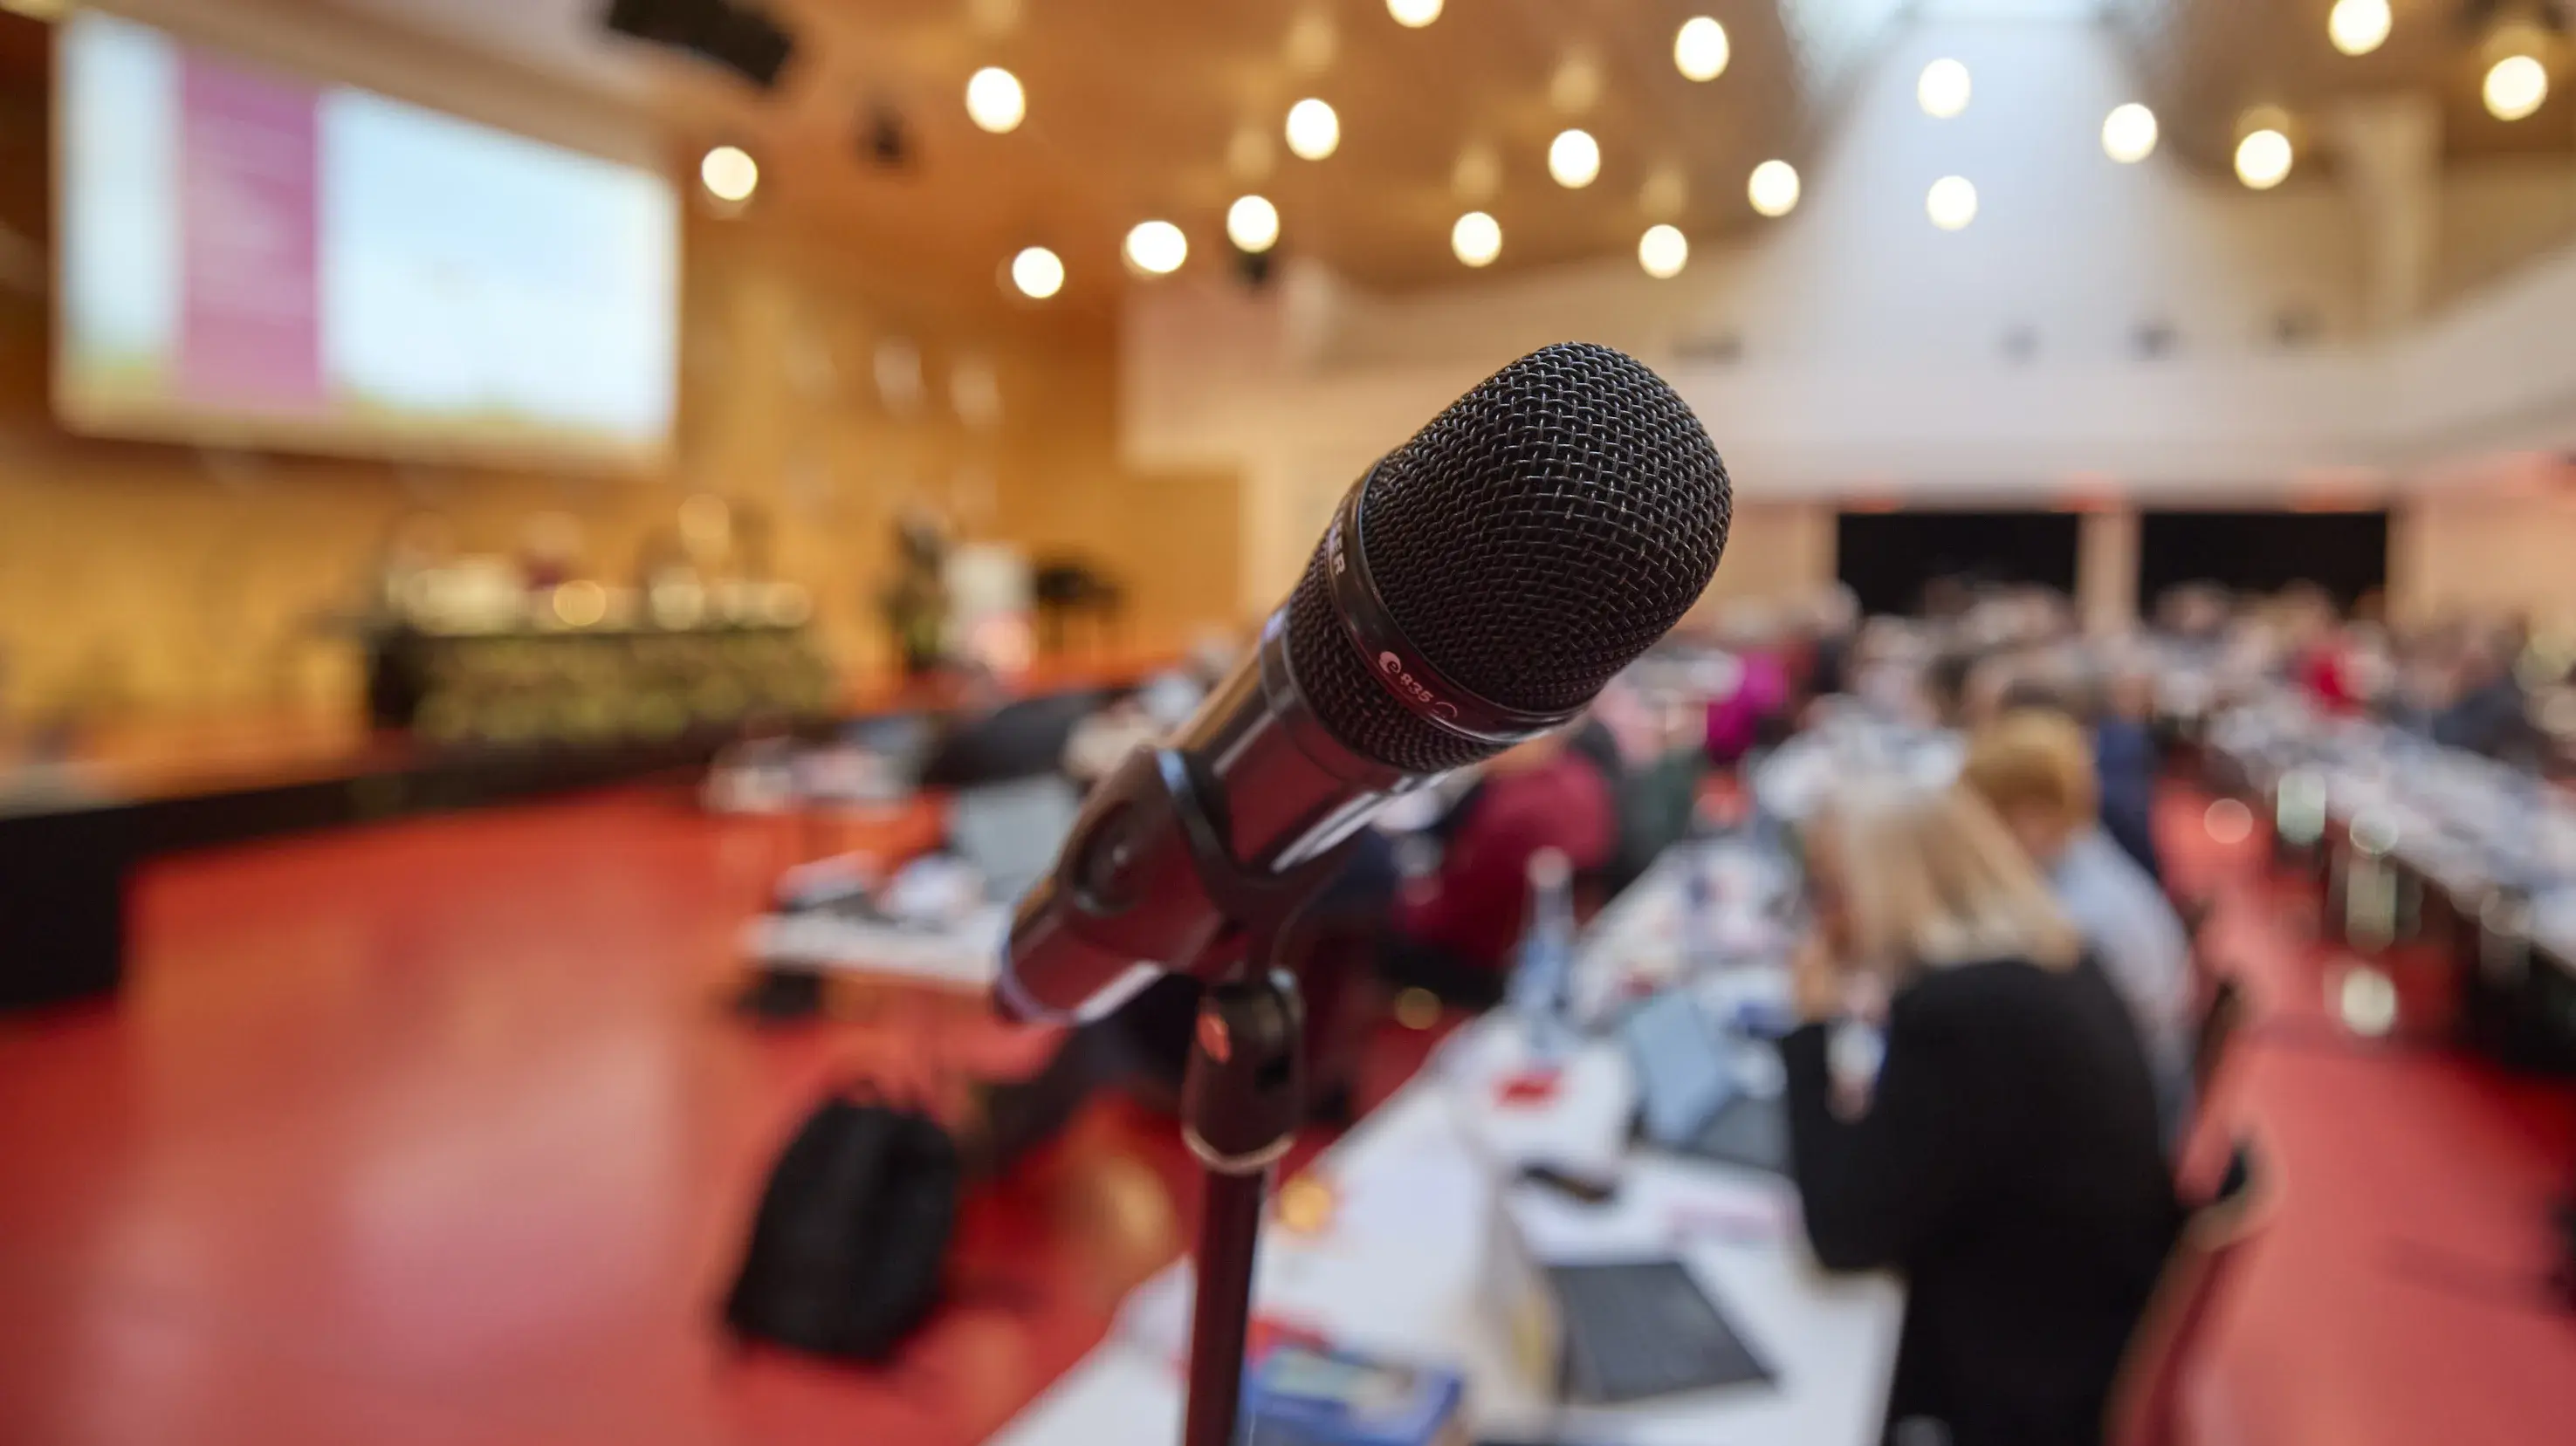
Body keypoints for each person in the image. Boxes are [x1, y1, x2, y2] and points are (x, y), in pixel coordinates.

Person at [1783, 781, 2181, 1446]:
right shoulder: (2050, 956)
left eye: (1834, 891)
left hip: (2019, 1367)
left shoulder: (1958, 1011)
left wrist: (1810, 1029)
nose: (1830, 917)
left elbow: (1843, 1233)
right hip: (2086, 1315)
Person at [1958, 709, 2195, 1142]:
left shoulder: (2082, 917)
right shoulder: (2082, 854)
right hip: (2129, 1081)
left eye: (1987, 820)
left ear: (2036, 815)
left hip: (2117, 1120)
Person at [1379, 727, 1616, 1008]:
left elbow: (1451, 912)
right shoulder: (1580, 777)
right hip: (1521, 945)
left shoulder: (1517, 813)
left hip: (1471, 957)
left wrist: (1405, 899)